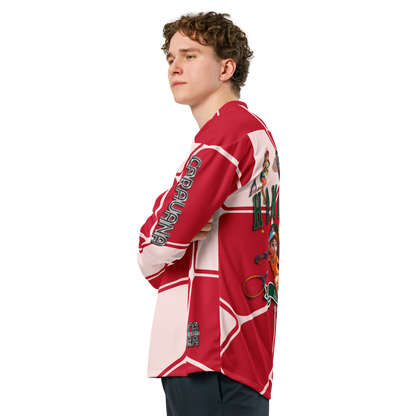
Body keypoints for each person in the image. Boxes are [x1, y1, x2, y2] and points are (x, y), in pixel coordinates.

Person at [135, 6, 282, 416]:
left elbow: (158, 246)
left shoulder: (226, 134)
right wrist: (165, 220)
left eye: (190, 55)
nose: (174, 67)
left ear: (226, 68)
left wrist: (148, 239)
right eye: (170, 58)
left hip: (209, 354)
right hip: (234, 355)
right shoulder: (247, 130)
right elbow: (172, 219)